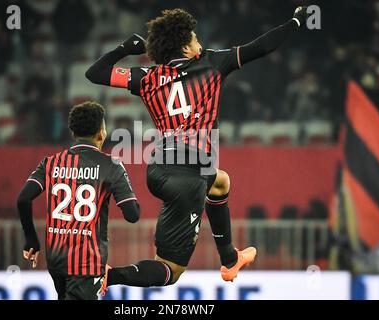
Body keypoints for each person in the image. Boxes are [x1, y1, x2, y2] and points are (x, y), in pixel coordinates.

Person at [86, 7, 309, 294]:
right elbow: (262, 46)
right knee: (171, 270)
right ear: (184, 46)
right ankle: (111, 276)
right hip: (189, 175)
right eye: (194, 39)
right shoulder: (212, 63)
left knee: (220, 181)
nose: (200, 44)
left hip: (159, 169)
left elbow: (95, 73)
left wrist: (125, 48)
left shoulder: (146, 77)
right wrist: (294, 21)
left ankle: (229, 257)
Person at [16, 101, 140, 300]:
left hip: (56, 261)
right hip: (86, 263)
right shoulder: (111, 165)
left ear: (73, 132)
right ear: (101, 132)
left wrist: (31, 239)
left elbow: (23, 199)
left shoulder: (50, 162)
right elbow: (132, 215)